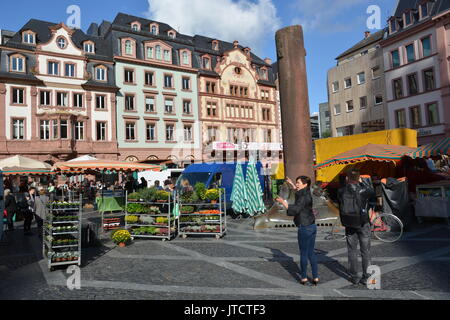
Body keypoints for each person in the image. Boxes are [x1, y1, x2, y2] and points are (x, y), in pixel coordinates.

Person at [276, 176, 319, 286]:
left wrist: (283, 202)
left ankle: (304, 277)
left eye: (299, 182)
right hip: (312, 225)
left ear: (305, 184)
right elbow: (298, 192)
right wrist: (291, 184)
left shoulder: (303, 196)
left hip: (304, 227)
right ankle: (315, 277)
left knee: (304, 253)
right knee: (311, 252)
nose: (297, 184)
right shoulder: (307, 191)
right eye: (296, 182)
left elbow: (296, 209)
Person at [338, 169, 375, 286]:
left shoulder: (341, 191)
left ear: (347, 178)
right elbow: (372, 193)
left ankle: (354, 277)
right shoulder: (364, 190)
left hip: (349, 223)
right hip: (363, 223)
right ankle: (366, 277)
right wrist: (362, 182)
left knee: (352, 250)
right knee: (366, 251)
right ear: (359, 178)